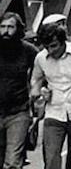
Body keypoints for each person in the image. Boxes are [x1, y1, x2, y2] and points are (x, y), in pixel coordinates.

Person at [30, 23, 71, 169]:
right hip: (54, 110)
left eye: (54, 46)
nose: (51, 51)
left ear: (63, 41)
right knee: (51, 156)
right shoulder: (41, 58)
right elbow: (36, 79)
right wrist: (38, 90)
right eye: (47, 47)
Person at [0, 12, 37, 169]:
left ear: (18, 29)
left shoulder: (29, 51)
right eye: (2, 27)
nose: (6, 31)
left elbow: (42, 71)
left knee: (13, 160)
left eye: (10, 27)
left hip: (18, 112)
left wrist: (38, 91)